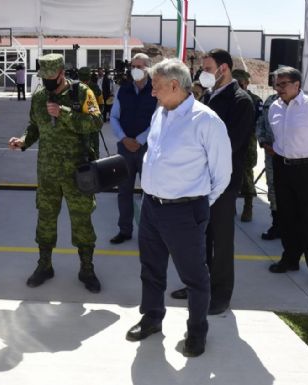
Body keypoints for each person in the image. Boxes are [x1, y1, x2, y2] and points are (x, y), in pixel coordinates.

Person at [125, 58, 232, 358]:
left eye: (157, 87)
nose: (153, 93)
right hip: (151, 207)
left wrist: (196, 203)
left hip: (184, 211)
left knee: (194, 277)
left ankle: (197, 332)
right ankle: (152, 318)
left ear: (174, 85)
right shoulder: (162, 113)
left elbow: (222, 174)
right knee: (151, 268)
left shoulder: (205, 120)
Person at [8, 54, 104, 293]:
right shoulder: (40, 97)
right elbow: (34, 126)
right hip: (48, 172)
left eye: (51, 76)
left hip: (77, 171)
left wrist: (64, 113)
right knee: (46, 220)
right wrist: (23, 141)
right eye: (43, 77)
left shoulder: (82, 93)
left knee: (82, 221)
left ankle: (87, 268)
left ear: (62, 72)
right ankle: (44, 265)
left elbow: (96, 122)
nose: (47, 81)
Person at [170, 49, 254, 315]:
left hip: (222, 184)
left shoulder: (241, 101)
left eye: (208, 68)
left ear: (224, 69)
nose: (202, 73)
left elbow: (231, 144)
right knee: (200, 238)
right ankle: (198, 286)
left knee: (220, 240)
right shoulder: (207, 96)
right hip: (198, 182)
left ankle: (220, 294)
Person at [267, 66, 308, 295]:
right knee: (287, 217)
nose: (278, 88)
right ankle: (290, 259)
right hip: (283, 168)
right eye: (276, 84)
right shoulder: (274, 107)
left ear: (297, 84)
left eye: (283, 84)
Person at [109, 53, 157, 245]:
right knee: (124, 191)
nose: (136, 69)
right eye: (134, 66)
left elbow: (158, 118)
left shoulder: (156, 90)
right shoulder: (123, 90)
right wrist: (124, 138)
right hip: (125, 148)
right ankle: (125, 230)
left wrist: (140, 139)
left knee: (150, 193)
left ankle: (150, 233)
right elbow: (114, 117)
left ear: (149, 69)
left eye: (141, 66)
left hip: (147, 148)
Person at [232, 69, 263, 222]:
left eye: (239, 82)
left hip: (248, 140)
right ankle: (230, 206)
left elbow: (259, 122)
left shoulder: (255, 100)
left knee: (246, 173)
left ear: (246, 83)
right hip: (230, 139)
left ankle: (248, 206)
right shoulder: (228, 98)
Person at [256, 81, 280, 240]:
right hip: (271, 155)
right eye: (278, 82)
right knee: (272, 188)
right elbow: (260, 123)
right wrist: (264, 142)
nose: (279, 85)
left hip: (290, 157)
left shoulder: (301, 103)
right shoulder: (270, 101)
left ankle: (292, 227)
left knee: (291, 192)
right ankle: (277, 225)